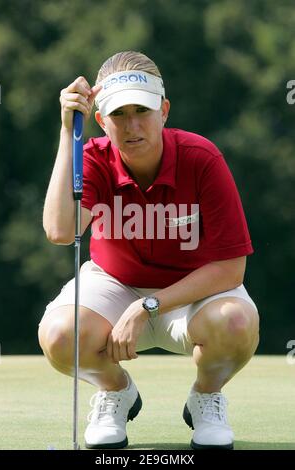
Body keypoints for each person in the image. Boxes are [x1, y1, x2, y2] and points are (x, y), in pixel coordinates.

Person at [39, 51, 259, 450]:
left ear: (165, 111)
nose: (132, 125)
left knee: (236, 323)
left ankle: (206, 396)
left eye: (143, 110)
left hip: (194, 293)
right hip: (113, 283)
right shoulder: (92, 158)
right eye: (119, 114)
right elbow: (59, 230)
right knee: (59, 335)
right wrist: (66, 134)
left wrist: (147, 306)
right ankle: (116, 392)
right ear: (102, 121)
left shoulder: (202, 158)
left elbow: (230, 269)